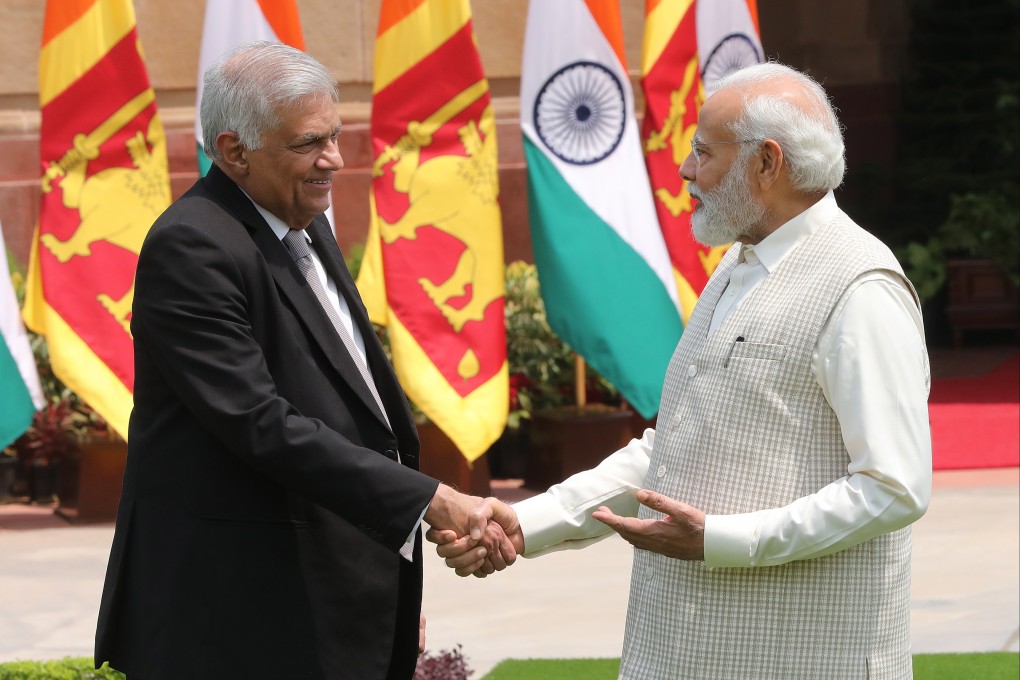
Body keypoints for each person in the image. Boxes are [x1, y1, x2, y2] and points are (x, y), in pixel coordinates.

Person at [431, 62, 932, 679]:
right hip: (680, 651)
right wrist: (525, 521)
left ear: (766, 163)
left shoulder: (860, 286)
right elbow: (673, 448)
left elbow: (895, 488)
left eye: (703, 152)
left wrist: (723, 540)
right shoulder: (738, 265)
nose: (687, 170)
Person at [95, 41, 515, 680]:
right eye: (307, 143)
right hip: (239, 617)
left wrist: (386, 571)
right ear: (234, 151)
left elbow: (351, 400)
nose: (334, 161)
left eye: (336, 136)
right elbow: (263, 425)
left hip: (332, 591)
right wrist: (432, 501)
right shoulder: (193, 246)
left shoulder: (303, 218)